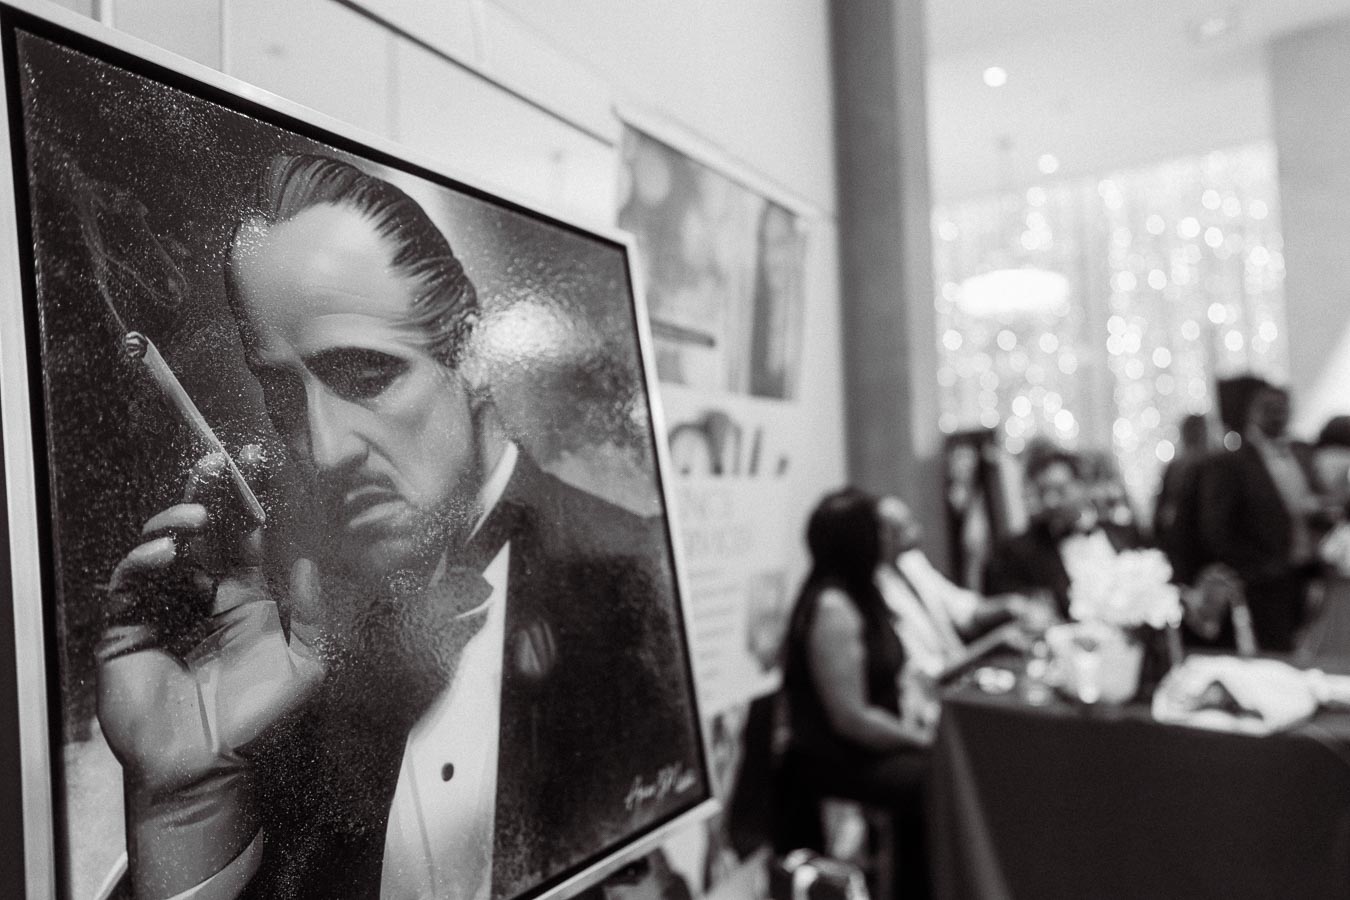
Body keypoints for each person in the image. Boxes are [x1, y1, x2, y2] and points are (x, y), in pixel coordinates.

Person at [96, 153, 702, 900]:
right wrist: (178, 814)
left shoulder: (631, 572)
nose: (325, 449)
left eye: (366, 375)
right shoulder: (269, 644)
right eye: (282, 393)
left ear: (472, 353)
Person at [777, 488, 932, 900]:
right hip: (832, 756)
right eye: (877, 529)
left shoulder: (866, 593)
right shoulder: (833, 608)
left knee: (937, 771)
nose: (886, 538)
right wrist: (920, 740)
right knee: (930, 781)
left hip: (864, 744)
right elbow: (852, 718)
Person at [1199, 380, 1338, 651]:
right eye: (1269, 408)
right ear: (1252, 412)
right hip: (1262, 580)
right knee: (1272, 654)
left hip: (1302, 574)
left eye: (1283, 408)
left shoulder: (1300, 454)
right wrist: (1251, 569)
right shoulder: (1231, 462)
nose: (1278, 415)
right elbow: (1216, 528)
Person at [983, 447, 1138, 618]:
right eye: (1043, 492)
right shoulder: (1019, 553)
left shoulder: (1126, 534)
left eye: (1060, 490)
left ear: (1083, 486)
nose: (1051, 501)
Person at [1153, 413, 1215, 586]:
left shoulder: (1213, 464)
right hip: (1180, 544)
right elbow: (1162, 509)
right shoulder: (1176, 467)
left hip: (1201, 545)